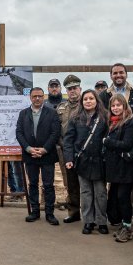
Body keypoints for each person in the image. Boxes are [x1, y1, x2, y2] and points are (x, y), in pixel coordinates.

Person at [99, 62, 133, 228]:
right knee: (116, 192)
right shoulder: (105, 95)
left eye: (121, 72)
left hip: (131, 148)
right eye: (115, 73)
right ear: (111, 76)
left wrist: (108, 142)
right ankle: (119, 219)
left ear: (126, 74)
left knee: (131, 192)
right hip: (113, 157)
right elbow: (102, 117)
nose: (118, 75)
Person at [63, 89, 109, 234]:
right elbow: (68, 140)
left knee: (100, 193)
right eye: (85, 99)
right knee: (86, 192)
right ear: (82, 102)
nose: (88, 101)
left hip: (99, 162)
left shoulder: (105, 117)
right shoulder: (75, 118)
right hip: (81, 161)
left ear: (96, 100)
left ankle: (101, 222)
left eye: (91, 98)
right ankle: (88, 221)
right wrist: (69, 158)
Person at [16, 87, 62, 225]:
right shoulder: (23, 114)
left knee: (48, 185)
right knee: (33, 184)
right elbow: (19, 133)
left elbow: (55, 133)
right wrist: (29, 149)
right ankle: (34, 211)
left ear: (44, 97)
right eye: (35, 96)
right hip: (30, 155)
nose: (37, 98)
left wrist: (45, 149)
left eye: (40, 96)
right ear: (30, 97)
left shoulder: (52, 113)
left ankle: (49, 213)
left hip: (47, 155)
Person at [103, 94, 133, 242]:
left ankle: (127, 228)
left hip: (125, 167)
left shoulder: (130, 122)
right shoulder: (110, 122)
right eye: (113, 105)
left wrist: (108, 141)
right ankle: (121, 223)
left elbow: (127, 144)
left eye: (119, 105)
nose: (116, 108)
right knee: (115, 197)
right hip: (114, 167)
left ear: (124, 106)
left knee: (123, 197)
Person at [55, 74, 82, 223]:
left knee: (86, 183)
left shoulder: (87, 104)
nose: (72, 91)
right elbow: (56, 129)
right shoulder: (61, 107)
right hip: (65, 151)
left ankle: (91, 213)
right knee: (69, 182)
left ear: (80, 89)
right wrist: (64, 146)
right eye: (69, 89)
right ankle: (73, 212)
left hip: (83, 151)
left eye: (75, 88)